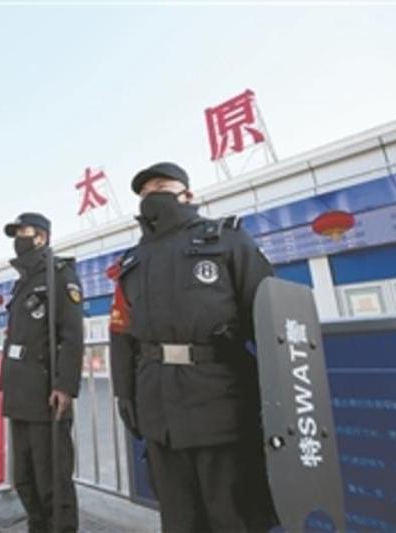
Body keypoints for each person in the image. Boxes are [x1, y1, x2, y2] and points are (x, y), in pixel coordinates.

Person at [109, 162, 279, 532]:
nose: (152, 195)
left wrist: (279, 397)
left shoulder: (227, 240)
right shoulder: (132, 262)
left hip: (221, 403)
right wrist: (125, 392)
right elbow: (121, 335)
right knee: (178, 518)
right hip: (158, 407)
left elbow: (269, 318)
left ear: (187, 194)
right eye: (145, 193)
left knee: (232, 515)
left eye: (161, 186)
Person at [0, 212, 84, 533]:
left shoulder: (59, 275)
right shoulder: (23, 281)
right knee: (24, 477)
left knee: (52, 480)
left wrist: (65, 386)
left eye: (23, 232)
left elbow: (72, 336)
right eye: (15, 233)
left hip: (45, 393)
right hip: (18, 393)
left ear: (41, 237)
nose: (18, 239)